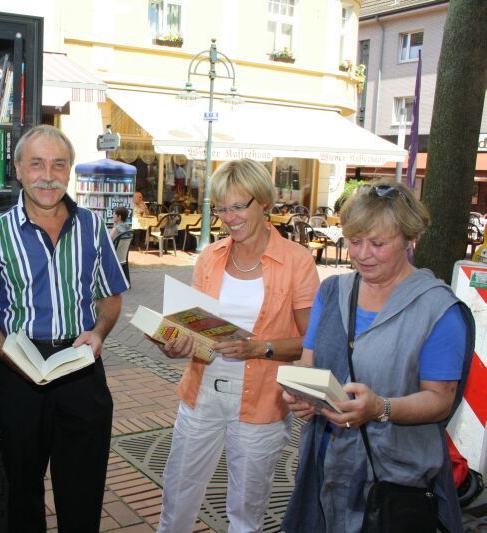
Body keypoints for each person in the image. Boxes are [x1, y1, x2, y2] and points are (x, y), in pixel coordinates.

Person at [282, 180, 475, 533]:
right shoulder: (332, 291)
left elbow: (439, 401)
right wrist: (301, 396)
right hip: (324, 468)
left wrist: (380, 408)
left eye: (378, 243)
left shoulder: (438, 309)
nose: (362, 254)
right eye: (354, 241)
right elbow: (309, 363)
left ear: (409, 239)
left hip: (393, 481)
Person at [0, 125, 129, 532]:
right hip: (21, 370)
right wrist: (8, 354)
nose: (48, 175)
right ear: (18, 169)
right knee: (23, 490)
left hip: (82, 367)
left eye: (58, 165)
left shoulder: (93, 227)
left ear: (69, 170)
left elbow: (111, 296)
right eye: (36, 164)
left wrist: (99, 333)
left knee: (84, 489)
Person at [155, 159, 320, 533]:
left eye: (238, 206)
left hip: (262, 398)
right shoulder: (211, 256)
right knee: (177, 496)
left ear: (264, 203)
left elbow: (312, 343)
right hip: (201, 392)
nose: (229, 218)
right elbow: (191, 323)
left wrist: (258, 348)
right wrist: (173, 342)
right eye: (221, 209)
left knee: (246, 511)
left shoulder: (296, 261)